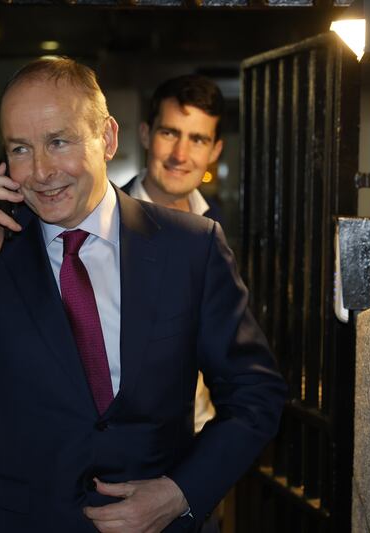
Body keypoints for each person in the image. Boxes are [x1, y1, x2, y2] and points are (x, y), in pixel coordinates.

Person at [0, 56, 286, 532]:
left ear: (106, 138)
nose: (41, 171)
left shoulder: (191, 247)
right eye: (20, 149)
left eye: (58, 142)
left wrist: (179, 492)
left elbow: (256, 394)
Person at [122, 74, 225, 434]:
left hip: (201, 435)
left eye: (198, 139)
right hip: (123, 442)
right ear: (146, 134)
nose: (181, 155)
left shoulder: (221, 230)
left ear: (215, 151)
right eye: (170, 133)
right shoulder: (100, 222)